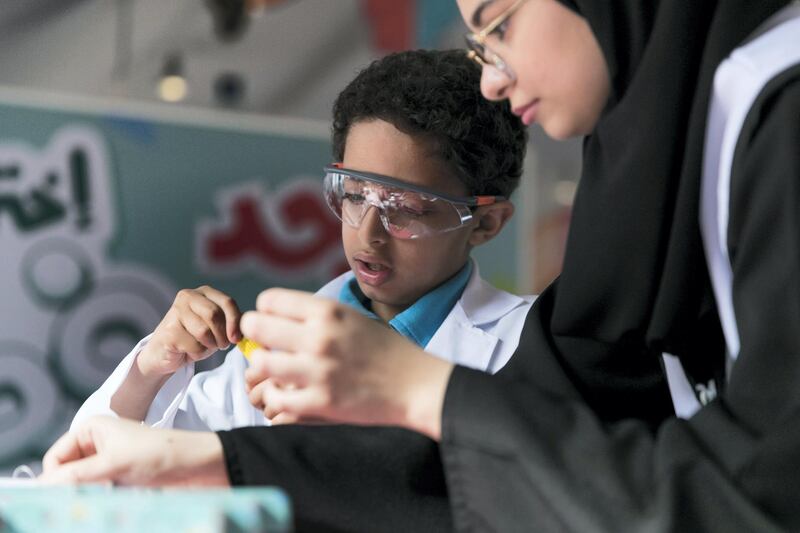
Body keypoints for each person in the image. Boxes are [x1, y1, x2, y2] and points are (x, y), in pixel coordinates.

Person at [42, 0, 800, 531]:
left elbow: (705, 487)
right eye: (351, 195)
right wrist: (162, 385)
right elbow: (79, 473)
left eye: (498, 26)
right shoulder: (266, 347)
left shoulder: (771, 106)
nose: (495, 77)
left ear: (486, 222)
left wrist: (414, 388)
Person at [71, 48, 532, 431]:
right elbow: (95, 472)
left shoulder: (528, 347)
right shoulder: (275, 351)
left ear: (485, 223)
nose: (367, 233)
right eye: (353, 196)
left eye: (405, 209)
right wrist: (153, 369)